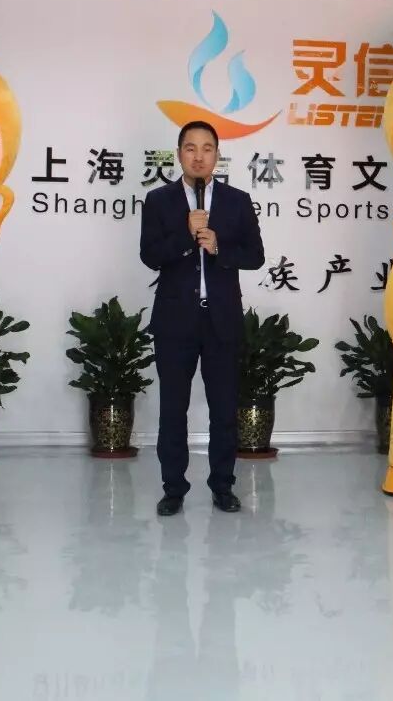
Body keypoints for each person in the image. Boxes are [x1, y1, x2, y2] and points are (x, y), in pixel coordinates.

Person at [139, 121, 265, 516]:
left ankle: (223, 486)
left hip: (221, 322)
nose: (198, 156)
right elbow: (149, 255)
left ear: (216, 155)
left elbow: (256, 256)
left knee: (224, 410)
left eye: (207, 148)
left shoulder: (237, 201)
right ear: (179, 154)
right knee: (172, 410)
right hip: (175, 322)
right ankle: (173, 489)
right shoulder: (158, 200)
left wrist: (219, 247)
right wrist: (185, 235)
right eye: (190, 148)